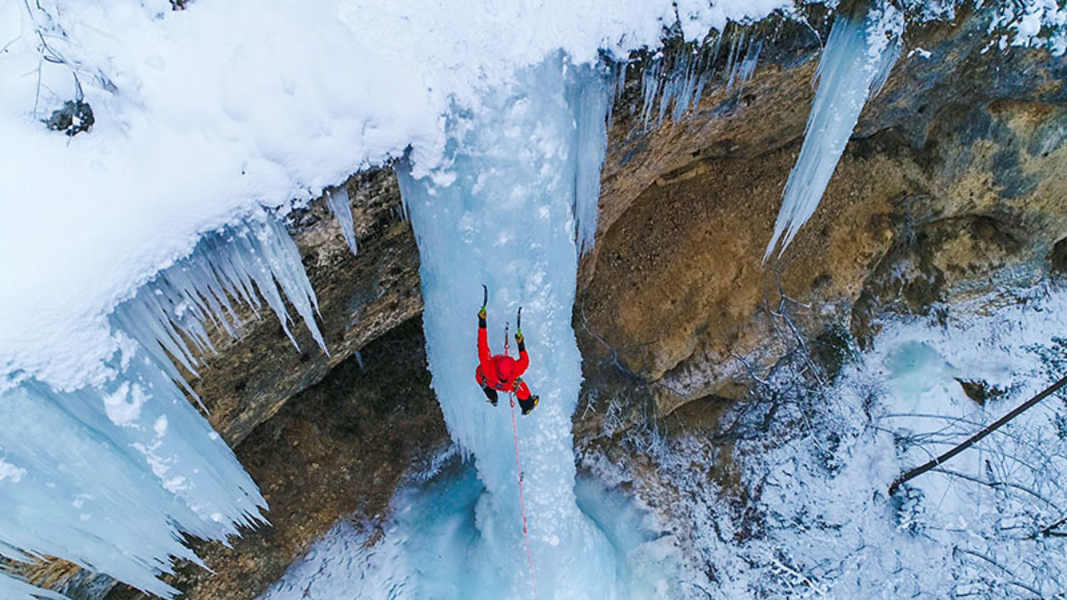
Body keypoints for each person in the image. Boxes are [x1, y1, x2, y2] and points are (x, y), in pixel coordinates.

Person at [475, 305, 539, 415]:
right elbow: (525, 361)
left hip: (491, 382)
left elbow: (482, 344)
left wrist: (482, 322)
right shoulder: (515, 371)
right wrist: (520, 344)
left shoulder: (488, 366)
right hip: (506, 387)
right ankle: (527, 404)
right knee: (519, 384)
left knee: (479, 373)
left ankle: (492, 397)